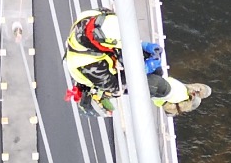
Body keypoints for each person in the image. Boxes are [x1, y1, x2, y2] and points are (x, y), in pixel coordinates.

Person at [61, 9, 210, 116]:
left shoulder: (97, 18)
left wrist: (142, 46)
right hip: (102, 76)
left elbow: (124, 38)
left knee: (154, 69)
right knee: (154, 83)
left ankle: (171, 95)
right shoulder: (87, 64)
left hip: (104, 54)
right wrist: (141, 70)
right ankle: (172, 100)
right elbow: (117, 86)